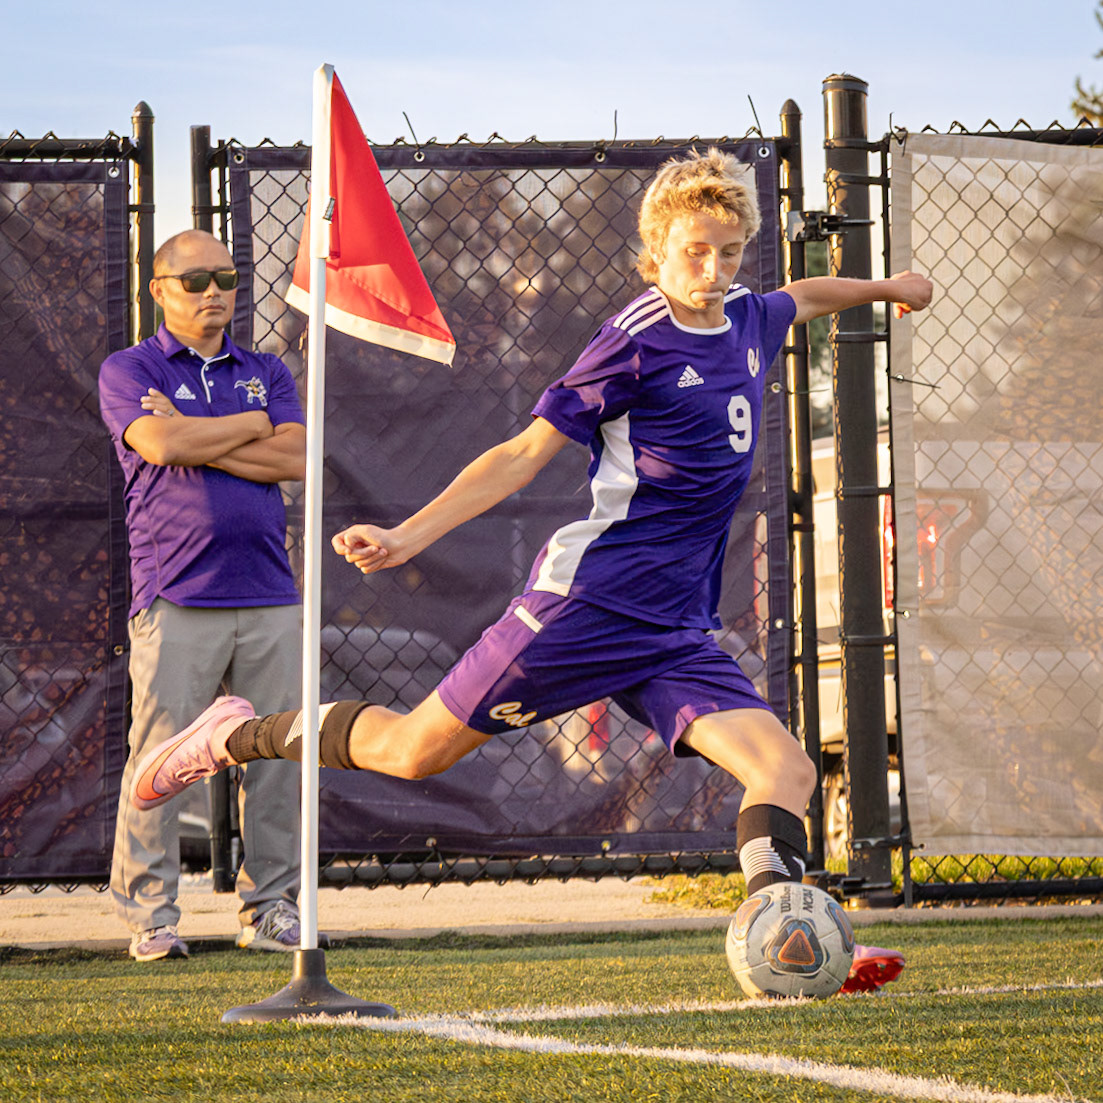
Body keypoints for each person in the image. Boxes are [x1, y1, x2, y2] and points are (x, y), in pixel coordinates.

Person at [129, 152, 932, 990]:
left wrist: (887, 287)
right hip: (590, 604)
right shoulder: (631, 343)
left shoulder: (745, 316)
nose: (713, 269)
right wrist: (406, 536)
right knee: (412, 751)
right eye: (694, 252)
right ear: (655, 253)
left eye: (728, 252)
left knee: (785, 770)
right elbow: (519, 455)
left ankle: (791, 935)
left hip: (673, 627)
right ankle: (233, 734)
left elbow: (803, 296)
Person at [99, 229, 310, 961]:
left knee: (279, 756)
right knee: (159, 759)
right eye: (195, 280)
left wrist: (198, 429)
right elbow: (161, 446)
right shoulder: (131, 368)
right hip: (177, 592)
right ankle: (151, 917)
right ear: (159, 289)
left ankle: (270, 907)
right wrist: (247, 428)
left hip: (270, 591)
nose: (214, 291)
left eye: (225, 277)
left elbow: (296, 455)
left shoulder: (266, 369)